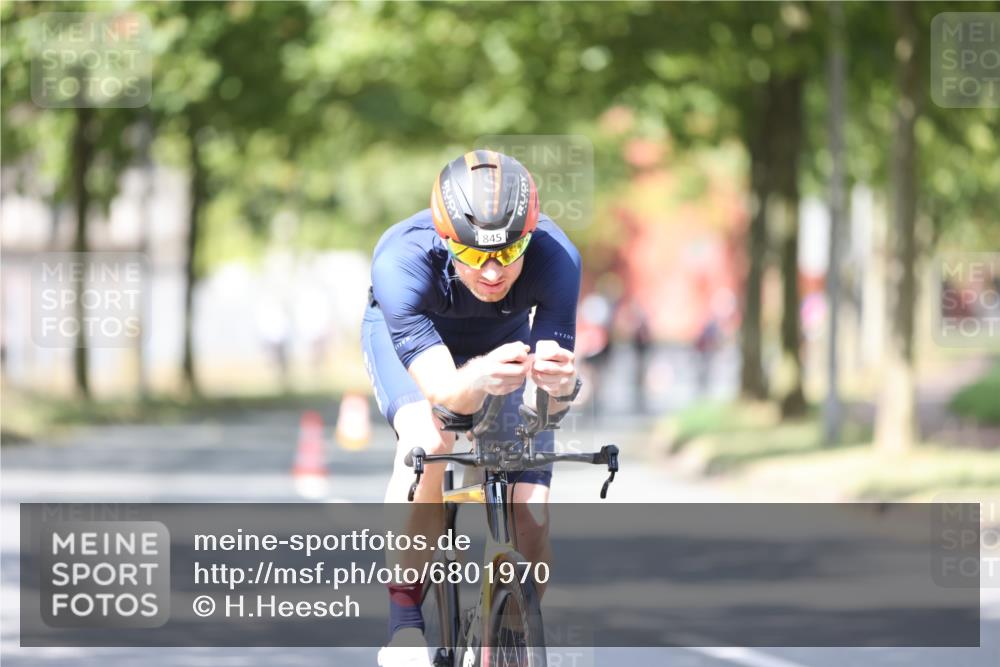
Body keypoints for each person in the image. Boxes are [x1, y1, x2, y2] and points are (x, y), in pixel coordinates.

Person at [362, 150, 582, 666]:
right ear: (444, 238)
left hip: (503, 342)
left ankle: (506, 637)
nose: (490, 272)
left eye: (508, 253)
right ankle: (404, 625)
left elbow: (548, 406)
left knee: (531, 508)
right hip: (419, 351)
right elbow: (445, 394)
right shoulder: (401, 261)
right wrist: (478, 378)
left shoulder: (558, 258)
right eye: (472, 254)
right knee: (429, 441)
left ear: (529, 237)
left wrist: (561, 387)